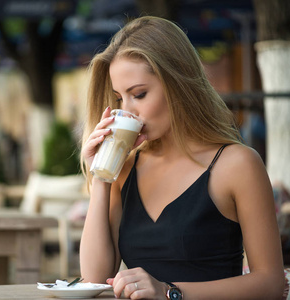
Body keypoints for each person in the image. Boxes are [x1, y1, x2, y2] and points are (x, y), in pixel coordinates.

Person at [79, 16, 285, 299]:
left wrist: (170, 292)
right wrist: (101, 175)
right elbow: (94, 279)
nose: (126, 112)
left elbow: (270, 284)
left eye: (138, 94)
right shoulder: (125, 169)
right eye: (119, 98)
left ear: (177, 84)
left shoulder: (237, 165)